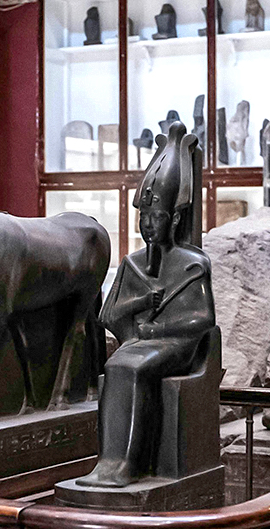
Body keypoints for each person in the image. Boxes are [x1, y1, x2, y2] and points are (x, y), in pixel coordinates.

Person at [81, 125, 216, 487]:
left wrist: (158, 328)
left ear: (174, 219)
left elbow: (203, 319)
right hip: (140, 341)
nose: (148, 225)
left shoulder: (192, 264)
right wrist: (140, 302)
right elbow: (108, 314)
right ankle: (108, 461)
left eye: (156, 217)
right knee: (116, 364)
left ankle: (128, 463)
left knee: (131, 366)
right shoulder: (133, 263)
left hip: (178, 346)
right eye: (143, 217)